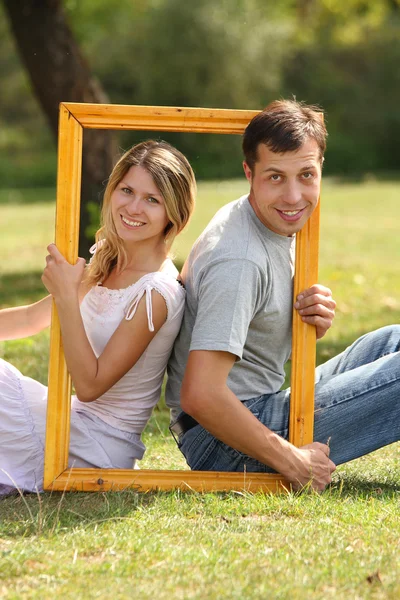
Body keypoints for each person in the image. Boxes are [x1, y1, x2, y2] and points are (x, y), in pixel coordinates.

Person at [166, 99, 400, 492]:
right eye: (275, 177)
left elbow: (250, 338)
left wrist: (303, 324)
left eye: (306, 175)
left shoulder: (260, 219)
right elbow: (200, 395)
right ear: (249, 173)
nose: (294, 197)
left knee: (392, 339)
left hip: (252, 407)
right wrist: (293, 460)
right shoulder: (239, 259)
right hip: (224, 443)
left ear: (321, 168)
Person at [0, 140, 196, 497]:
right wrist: (64, 295)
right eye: (127, 190)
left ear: (174, 212)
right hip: (72, 418)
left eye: (152, 199)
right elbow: (31, 319)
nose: (134, 207)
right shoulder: (109, 259)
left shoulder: (157, 293)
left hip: (99, 444)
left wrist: (66, 297)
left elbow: (90, 386)